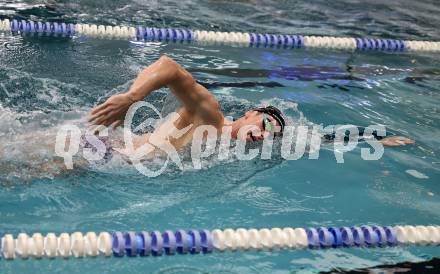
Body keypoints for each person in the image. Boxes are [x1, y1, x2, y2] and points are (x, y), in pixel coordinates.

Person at [89, 55, 414, 156]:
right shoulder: (210, 117)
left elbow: (314, 138)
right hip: (100, 151)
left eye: (271, 134)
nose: (263, 134)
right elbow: (169, 67)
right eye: (264, 124)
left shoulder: (226, 149)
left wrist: (371, 139)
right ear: (247, 114)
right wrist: (132, 98)